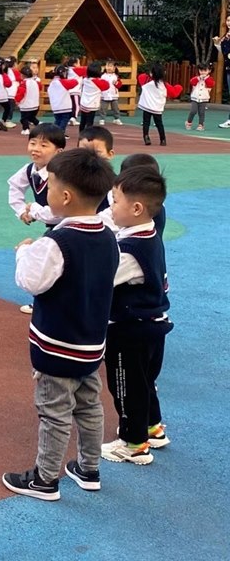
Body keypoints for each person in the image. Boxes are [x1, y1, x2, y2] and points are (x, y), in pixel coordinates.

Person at [2, 148, 119, 500]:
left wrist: (23, 251)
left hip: (56, 345)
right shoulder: (109, 236)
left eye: (50, 185)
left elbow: (31, 281)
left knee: (53, 412)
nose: (46, 192)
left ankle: (45, 478)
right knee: (89, 405)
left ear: (65, 197)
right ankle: (89, 467)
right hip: (91, 343)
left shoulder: (57, 242)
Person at [101, 166, 173, 466]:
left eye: (115, 201)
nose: (110, 208)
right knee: (144, 382)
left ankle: (134, 444)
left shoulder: (130, 251)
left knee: (125, 386)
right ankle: (152, 428)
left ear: (136, 208)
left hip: (130, 330)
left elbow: (102, 279)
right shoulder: (149, 235)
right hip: (152, 325)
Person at [7, 123, 66, 314]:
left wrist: (33, 210)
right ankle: (44, 302)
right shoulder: (30, 170)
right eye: (32, 143)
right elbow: (14, 188)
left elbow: (60, 212)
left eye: (43, 145)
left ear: (59, 151)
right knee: (47, 263)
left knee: (57, 264)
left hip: (69, 225)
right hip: (54, 227)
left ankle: (53, 303)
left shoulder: (62, 174)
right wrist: (21, 211)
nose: (36, 149)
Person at [138, 63, 182, 147]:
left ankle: (146, 137)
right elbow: (174, 93)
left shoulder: (146, 82)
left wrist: (149, 74)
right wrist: (179, 87)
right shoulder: (165, 85)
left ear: (152, 73)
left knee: (146, 122)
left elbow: (141, 76)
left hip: (147, 106)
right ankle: (163, 139)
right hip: (157, 108)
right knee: (159, 124)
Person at [77, 62, 111, 133]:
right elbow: (107, 86)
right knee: (90, 122)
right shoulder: (99, 82)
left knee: (83, 121)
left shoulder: (85, 79)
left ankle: (81, 133)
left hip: (84, 103)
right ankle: (88, 135)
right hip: (92, 104)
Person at [47, 62, 78, 132]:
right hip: (64, 107)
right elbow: (75, 82)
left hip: (55, 107)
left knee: (58, 120)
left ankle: (53, 132)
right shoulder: (63, 82)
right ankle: (60, 133)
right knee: (64, 121)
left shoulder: (52, 83)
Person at [186, 63, 214, 131]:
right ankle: (189, 122)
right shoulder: (196, 78)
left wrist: (205, 78)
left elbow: (210, 84)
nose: (203, 72)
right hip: (195, 98)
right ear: (199, 70)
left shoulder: (210, 79)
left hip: (204, 99)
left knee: (201, 112)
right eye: (201, 70)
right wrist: (199, 78)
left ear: (209, 71)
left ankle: (201, 125)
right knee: (193, 111)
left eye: (205, 70)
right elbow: (192, 82)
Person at [15, 64, 41, 135]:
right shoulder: (36, 82)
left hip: (26, 105)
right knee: (31, 117)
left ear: (23, 75)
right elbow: (40, 87)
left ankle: (26, 129)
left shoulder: (24, 83)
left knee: (24, 118)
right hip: (35, 104)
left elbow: (20, 93)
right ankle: (39, 124)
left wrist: (17, 100)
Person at [100, 60, 123, 125]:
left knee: (115, 108)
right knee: (103, 108)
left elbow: (119, 85)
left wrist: (116, 83)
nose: (109, 68)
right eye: (107, 66)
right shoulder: (102, 76)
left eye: (111, 66)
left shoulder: (116, 76)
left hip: (114, 95)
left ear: (114, 68)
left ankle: (116, 119)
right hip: (104, 95)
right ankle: (102, 119)